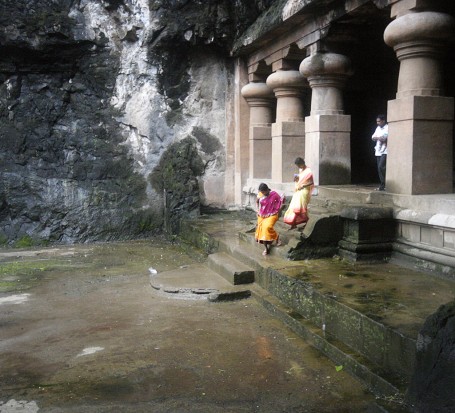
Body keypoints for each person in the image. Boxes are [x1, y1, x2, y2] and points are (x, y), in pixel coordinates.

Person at [283, 157, 314, 230]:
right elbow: (300, 179)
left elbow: (311, 182)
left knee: (301, 208)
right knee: (293, 207)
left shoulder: (308, 171)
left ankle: (306, 222)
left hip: (304, 191)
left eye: (299, 165)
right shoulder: (300, 170)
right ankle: (293, 224)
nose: (299, 167)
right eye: (298, 166)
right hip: (298, 190)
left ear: (303, 163)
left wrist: (303, 185)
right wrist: (296, 179)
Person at [255, 183, 284, 256]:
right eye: (261, 192)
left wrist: (278, 209)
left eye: (264, 192)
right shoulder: (260, 195)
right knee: (260, 229)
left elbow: (281, 200)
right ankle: (266, 248)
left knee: (267, 227)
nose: (263, 193)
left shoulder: (274, 194)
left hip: (272, 214)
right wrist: (258, 210)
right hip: (262, 214)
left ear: (267, 190)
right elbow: (257, 202)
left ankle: (276, 237)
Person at [371, 114, 388, 191]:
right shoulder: (378, 128)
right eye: (377, 121)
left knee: (381, 166)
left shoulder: (387, 127)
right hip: (378, 150)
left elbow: (384, 138)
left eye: (379, 121)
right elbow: (373, 137)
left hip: (385, 150)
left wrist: (377, 138)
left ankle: (385, 183)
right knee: (379, 168)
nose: (378, 123)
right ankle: (382, 185)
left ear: (383, 121)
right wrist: (378, 138)